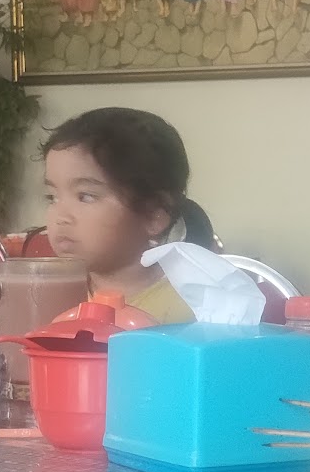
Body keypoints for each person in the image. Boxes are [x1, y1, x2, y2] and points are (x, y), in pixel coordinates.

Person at [40, 107, 196, 325]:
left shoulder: (188, 310)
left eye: (86, 197)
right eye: (52, 198)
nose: (60, 217)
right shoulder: (49, 297)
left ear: (153, 215)